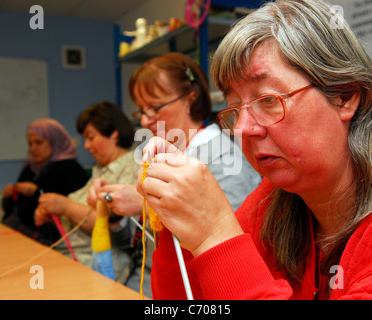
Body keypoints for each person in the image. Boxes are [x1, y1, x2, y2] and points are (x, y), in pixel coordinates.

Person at [136, 0, 372, 300]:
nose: (242, 127)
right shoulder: (270, 203)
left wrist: (215, 236)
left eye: (267, 100)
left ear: (345, 96)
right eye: (233, 108)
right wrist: (177, 219)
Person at [87, 52, 261, 297]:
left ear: (190, 99)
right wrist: (115, 213)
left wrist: (145, 205)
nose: (146, 121)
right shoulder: (161, 155)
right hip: (140, 282)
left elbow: (232, 250)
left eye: (155, 108)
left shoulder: (224, 159)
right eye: (141, 111)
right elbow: (137, 244)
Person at [34, 101, 139, 283]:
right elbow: (85, 210)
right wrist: (55, 211)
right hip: (74, 255)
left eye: (91, 138)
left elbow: (115, 229)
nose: (86, 146)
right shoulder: (101, 169)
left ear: (113, 133)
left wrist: (66, 207)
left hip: (99, 262)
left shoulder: (133, 169)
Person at [1, 118, 89, 246]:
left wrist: (36, 192)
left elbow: (68, 216)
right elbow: (12, 209)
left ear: (55, 141)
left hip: (47, 238)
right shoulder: (31, 168)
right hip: (15, 230)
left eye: (39, 142)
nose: (33, 148)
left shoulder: (70, 169)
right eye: (30, 144)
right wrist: (9, 196)